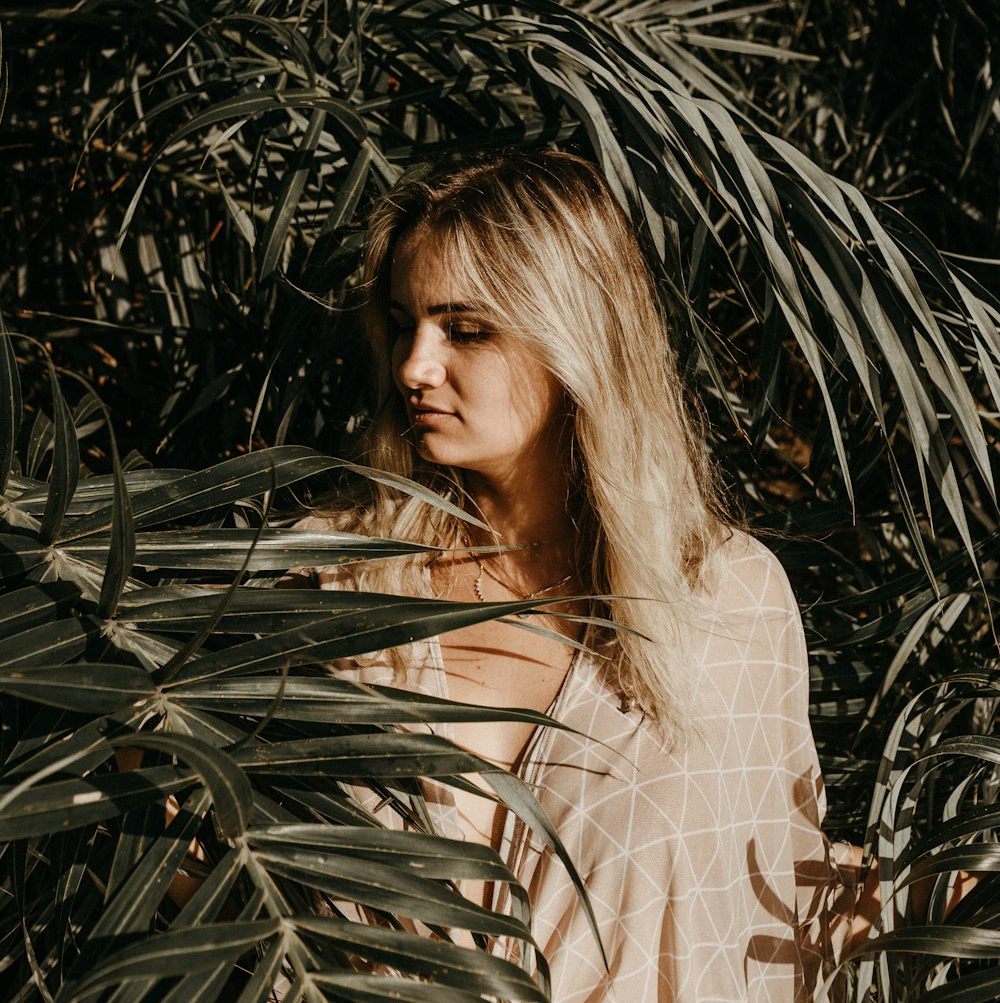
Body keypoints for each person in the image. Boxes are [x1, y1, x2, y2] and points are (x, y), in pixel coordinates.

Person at [301, 144, 874, 1003]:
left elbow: (759, 892)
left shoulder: (723, 600)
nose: (414, 367)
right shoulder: (331, 584)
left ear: (577, 338)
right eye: (405, 323)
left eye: (466, 330)